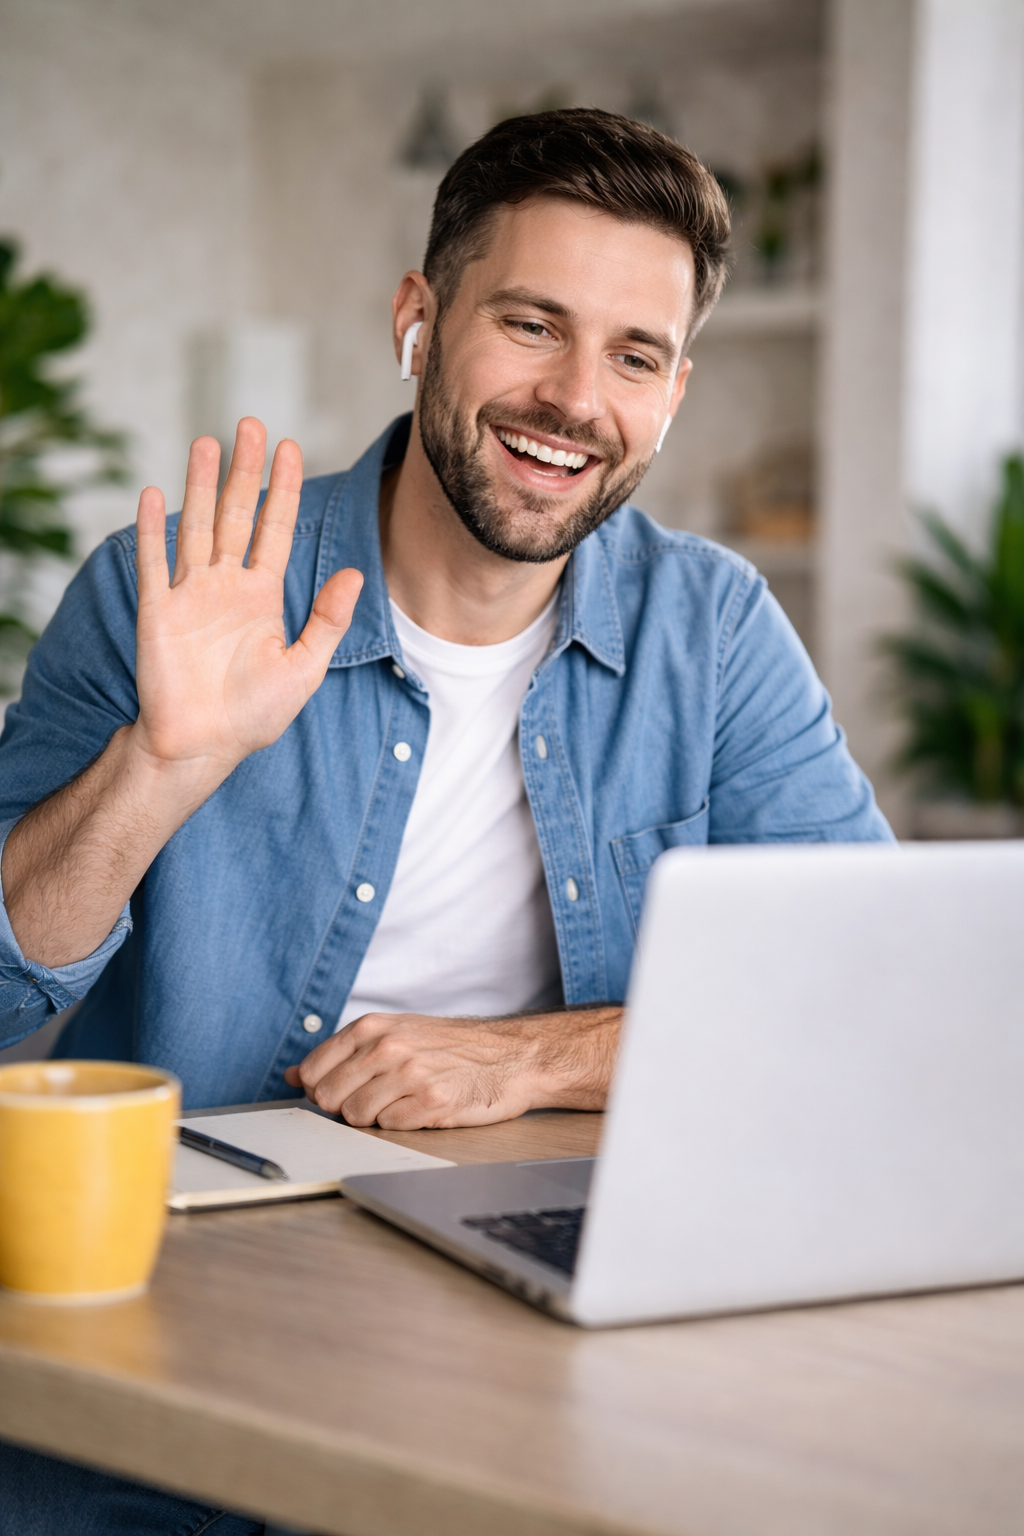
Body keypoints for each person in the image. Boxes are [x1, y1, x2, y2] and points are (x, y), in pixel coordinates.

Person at [0, 108, 891, 1534]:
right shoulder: (174, 589)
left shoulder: (712, 629)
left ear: (675, 393)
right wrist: (158, 769)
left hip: (540, 1310)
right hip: (183, 1311)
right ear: (420, 319)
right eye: (532, 324)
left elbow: (871, 1005)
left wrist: (520, 1063)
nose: (575, 400)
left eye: (635, 356)